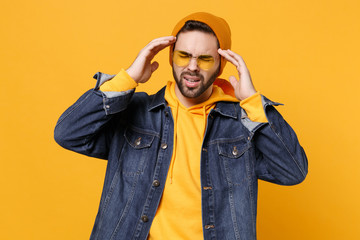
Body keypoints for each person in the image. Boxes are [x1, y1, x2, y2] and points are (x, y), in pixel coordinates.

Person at [54, 12, 308, 240]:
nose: (192, 67)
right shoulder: (136, 113)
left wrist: (253, 101)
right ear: (171, 57)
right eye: (183, 55)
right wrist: (128, 78)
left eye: (205, 59)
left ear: (222, 65)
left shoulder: (240, 124)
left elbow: (293, 171)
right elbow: (68, 134)